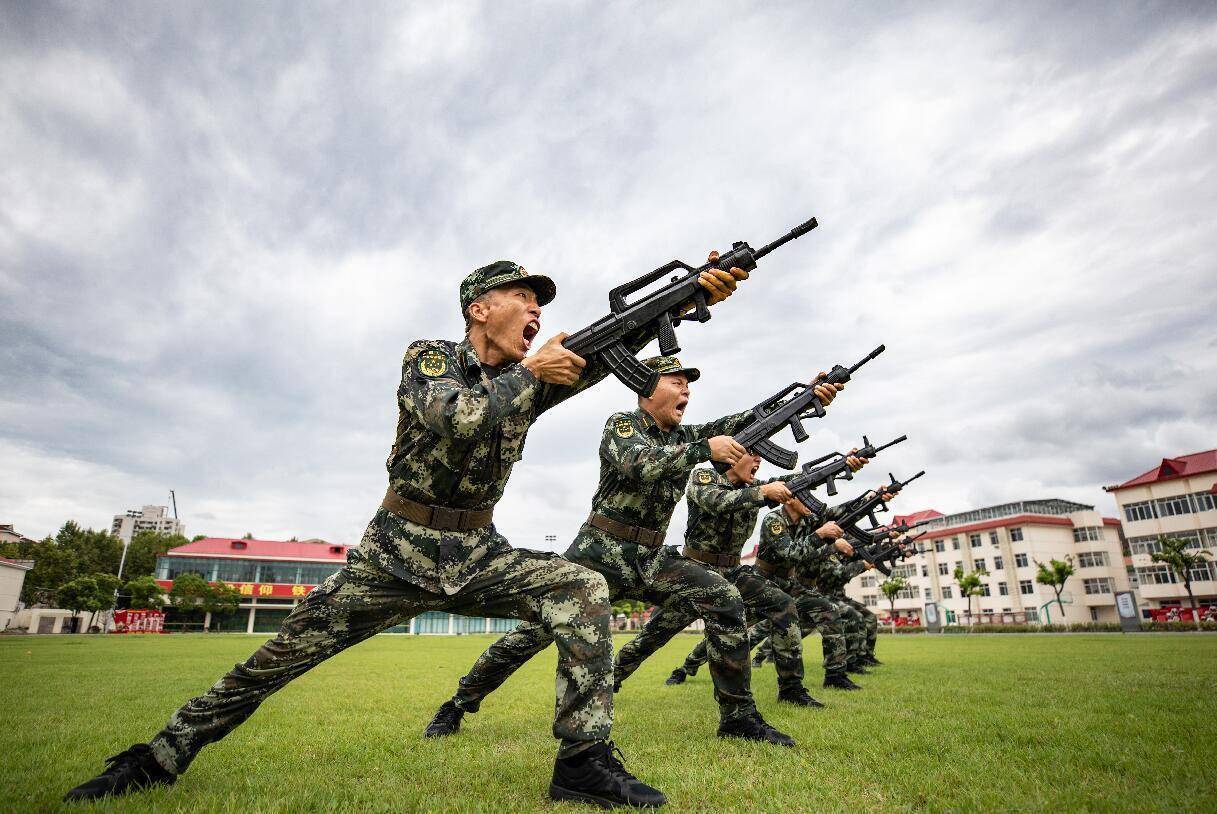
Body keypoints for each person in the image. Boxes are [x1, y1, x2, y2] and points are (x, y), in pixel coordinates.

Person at [65, 257, 748, 810]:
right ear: (479, 308)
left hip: (478, 552)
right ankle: (156, 758)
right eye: (522, 297)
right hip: (394, 554)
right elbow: (459, 416)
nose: (536, 311)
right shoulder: (430, 359)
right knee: (272, 663)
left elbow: (601, 356)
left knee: (581, 587)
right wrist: (530, 373)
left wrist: (685, 300)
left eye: (540, 303)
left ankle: (582, 763)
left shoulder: (531, 377)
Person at [423, 358, 845, 751]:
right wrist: (704, 450)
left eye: (688, 386)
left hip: (652, 557)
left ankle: (738, 717)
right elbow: (639, 463)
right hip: (599, 553)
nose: (686, 391)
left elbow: (744, 423)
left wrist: (804, 398)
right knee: (532, 634)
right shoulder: (622, 425)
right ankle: (459, 702)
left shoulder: (684, 437)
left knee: (724, 598)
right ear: (647, 388)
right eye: (677, 383)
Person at [621, 449, 864, 706]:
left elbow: (797, 481)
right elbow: (716, 501)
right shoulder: (704, 477)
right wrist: (763, 493)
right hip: (695, 573)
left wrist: (841, 465)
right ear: (733, 456)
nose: (759, 460)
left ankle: (791, 689)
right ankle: (611, 678)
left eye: (761, 456)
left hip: (733, 572)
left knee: (783, 604)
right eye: (754, 454)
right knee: (653, 636)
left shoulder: (755, 486)